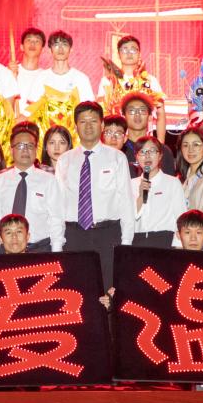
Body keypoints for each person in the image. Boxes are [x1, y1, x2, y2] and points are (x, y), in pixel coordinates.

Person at [55, 101, 135, 288]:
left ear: (102, 125)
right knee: (77, 290)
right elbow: (58, 206)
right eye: (83, 121)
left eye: (93, 121)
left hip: (108, 234)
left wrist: (126, 244)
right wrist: (57, 246)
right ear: (76, 126)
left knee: (109, 291)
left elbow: (126, 202)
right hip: (74, 236)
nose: (88, 126)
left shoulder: (117, 157)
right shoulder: (65, 160)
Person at [0, 123, 63, 253]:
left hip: (40, 250)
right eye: (20, 146)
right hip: (6, 251)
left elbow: (56, 219)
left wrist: (56, 251)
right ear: (11, 149)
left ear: (36, 149)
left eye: (30, 146)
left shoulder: (49, 181)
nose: (25, 150)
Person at [19, 30, 93, 116]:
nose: (60, 48)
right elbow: (30, 111)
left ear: (71, 49)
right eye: (56, 45)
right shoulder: (41, 77)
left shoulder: (81, 79)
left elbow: (90, 111)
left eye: (64, 44)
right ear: (50, 50)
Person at [130, 136, 186, 248]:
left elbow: (181, 217)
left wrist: (178, 245)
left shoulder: (172, 183)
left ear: (160, 156)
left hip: (164, 240)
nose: (147, 156)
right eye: (142, 152)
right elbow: (129, 218)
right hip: (137, 241)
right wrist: (140, 196)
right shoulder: (131, 184)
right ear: (136, 157)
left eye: (152, 151)